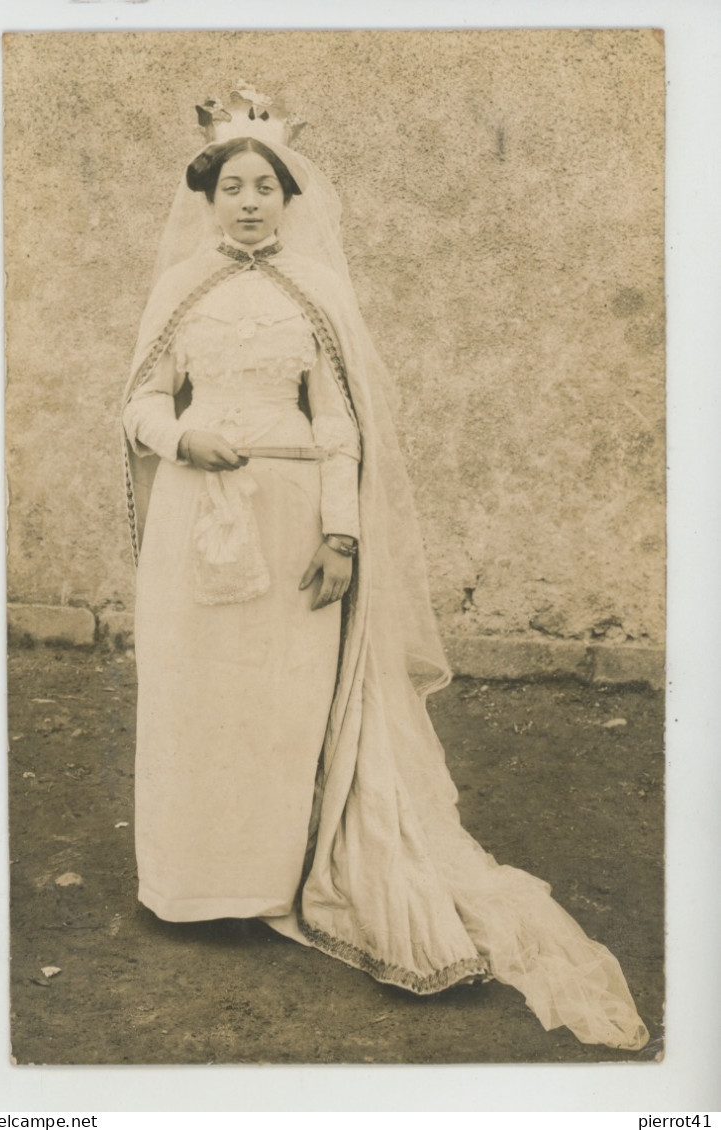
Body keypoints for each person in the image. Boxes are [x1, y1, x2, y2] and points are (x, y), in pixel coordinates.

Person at [122, 83, 650, 1051]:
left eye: (264, 186)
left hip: (290, 519)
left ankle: (270, 879)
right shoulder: (179, 289)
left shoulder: (315, 291)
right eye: (231, 185)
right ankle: (192, 881)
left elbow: (339, 424)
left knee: (282, 700)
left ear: (290, 197)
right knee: (196, 695)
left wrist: (339, 535)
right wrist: (180, 433)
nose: (248, 201)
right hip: (195, 519)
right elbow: (140, 399)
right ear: (205, 197)